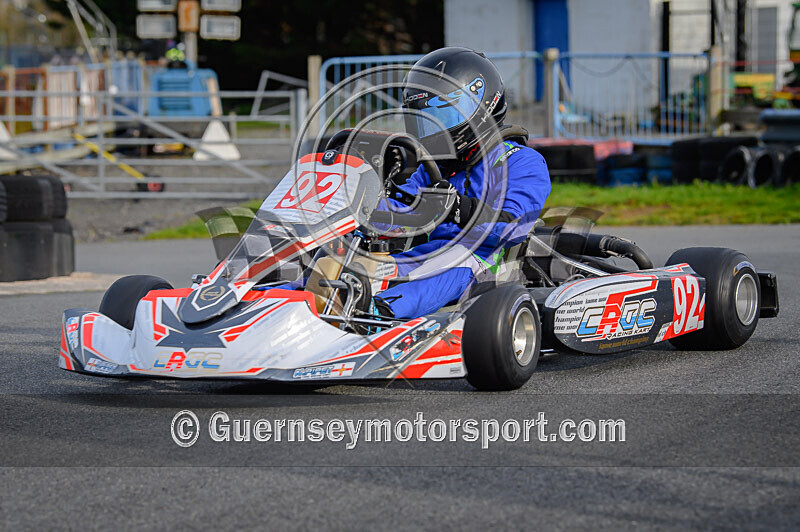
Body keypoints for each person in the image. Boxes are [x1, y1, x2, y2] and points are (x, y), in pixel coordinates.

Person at [367, 47, 552, 319]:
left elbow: (513, 227)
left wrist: (457, 207)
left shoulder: (521, 161)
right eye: (424, 120)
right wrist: (361, 211)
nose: (432, 130)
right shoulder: (434, 169)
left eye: (442, 114)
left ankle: (376, 315)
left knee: (458, 260)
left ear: (481, 107)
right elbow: (398, 212)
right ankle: (294, 301)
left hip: (491, 263)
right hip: (431, 258)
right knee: (351, 266)